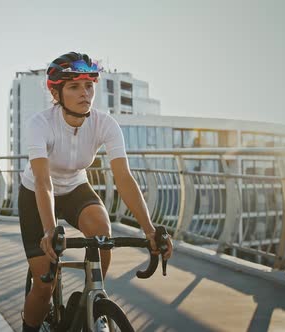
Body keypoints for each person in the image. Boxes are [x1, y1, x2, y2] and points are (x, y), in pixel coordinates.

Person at [19, 51, 174, 332]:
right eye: (75, 86)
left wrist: (149, 230)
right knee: (44, 286)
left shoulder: (105, 124)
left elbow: (124, 178)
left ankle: (91, 302)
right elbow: (43, 181)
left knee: (102, 233)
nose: (85, 93)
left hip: (76, 186)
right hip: (37, 194)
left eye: (89, 85)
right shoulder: (40, 124)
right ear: (56, 93)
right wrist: (50, 230)